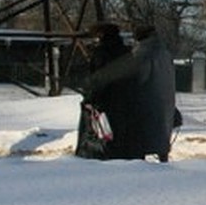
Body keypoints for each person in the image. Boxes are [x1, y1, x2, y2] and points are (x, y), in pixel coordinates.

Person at [86, 23, 177, 162]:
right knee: (160, 139)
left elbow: (138, 78)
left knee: (140, 139)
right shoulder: (163, 51)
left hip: (144, 101)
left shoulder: (143, 52)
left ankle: (142, 164)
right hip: (164, 100)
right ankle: (162, 160)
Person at [75, 23, 133, 159]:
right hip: (125, 103)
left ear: (100, 36)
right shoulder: (127, 53)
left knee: (99, 136)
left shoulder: (100, 53)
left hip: (104, 103)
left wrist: (89, 99)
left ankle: (96, 156)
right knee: (119, 139)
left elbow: (97, 80)